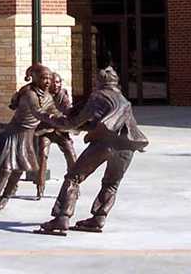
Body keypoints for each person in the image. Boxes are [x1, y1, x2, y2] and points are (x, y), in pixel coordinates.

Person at [36, 66, 149, 236]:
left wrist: (46, 118)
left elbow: (73, 123)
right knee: (111, 183)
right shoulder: (123, 99)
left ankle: (62, 217)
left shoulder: (98, 96)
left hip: (106, 143)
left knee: (73, 177)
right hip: (128, 146)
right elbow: (102, 122)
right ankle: (98, 218)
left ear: (99, 82)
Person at [0, 63, 56, 217]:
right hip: (13, 134)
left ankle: (6, 196)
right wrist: (52, 119)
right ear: (35, 78)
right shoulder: (29, 93)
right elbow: (38, 111)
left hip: (27, 137)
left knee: (19, 170)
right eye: (43, 78)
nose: (47, 81)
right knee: (5, 170)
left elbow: (54, 111)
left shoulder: (48, 97)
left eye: (49, 78)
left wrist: (67, 118)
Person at [34, 72, 77, 199]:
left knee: (71, 155)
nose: (57, 84)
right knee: (42, 154)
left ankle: (74, 186)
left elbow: (67, 109)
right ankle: (40, 187)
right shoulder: (43, 94)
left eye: (59, 82)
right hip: (45, 130)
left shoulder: (63, 94)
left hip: (60, 130)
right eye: (55, 82)